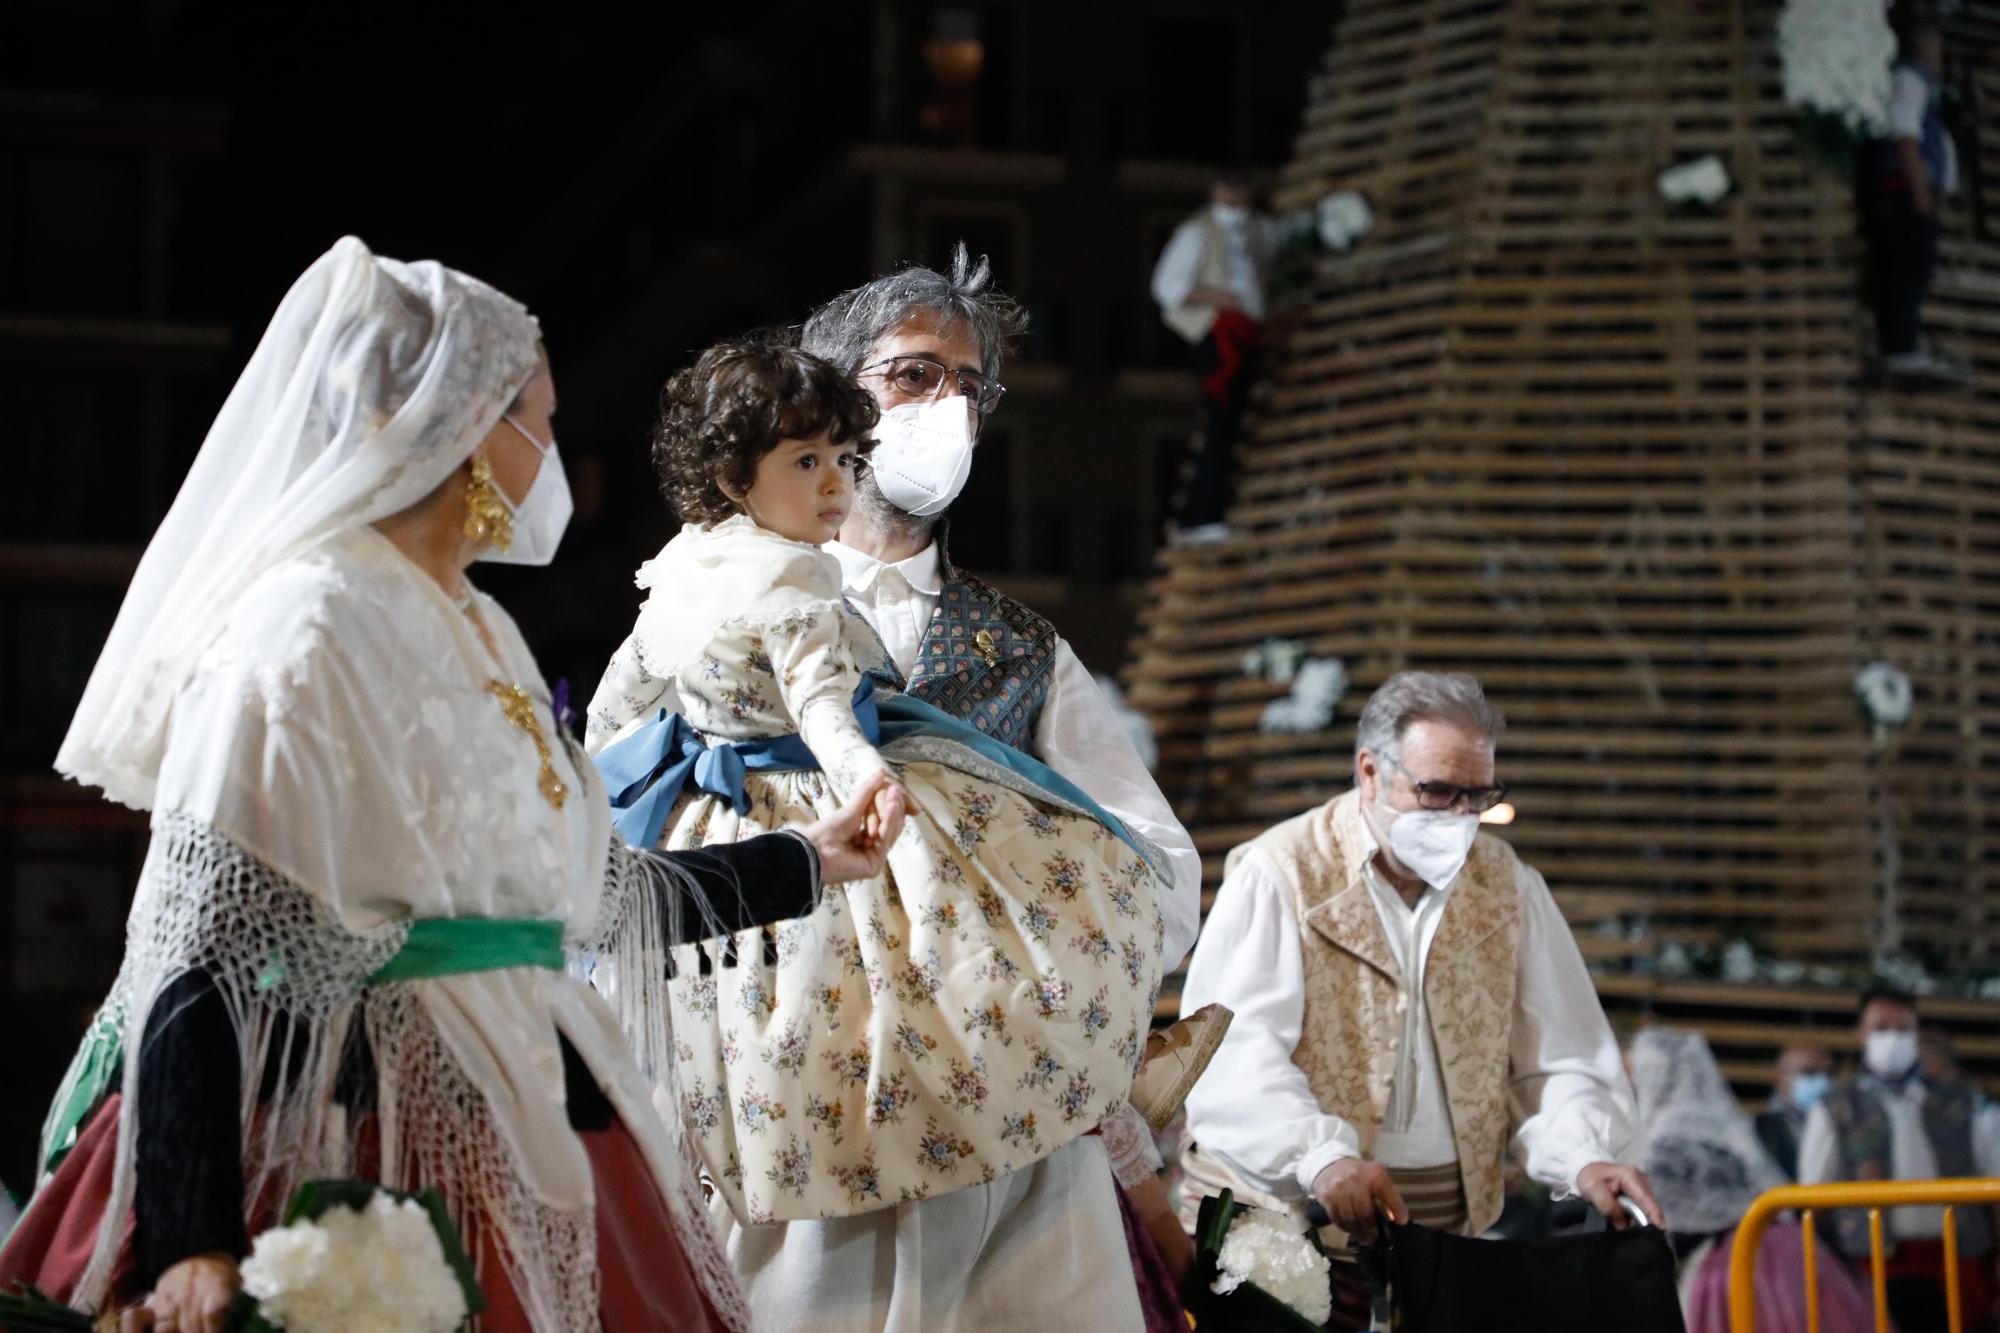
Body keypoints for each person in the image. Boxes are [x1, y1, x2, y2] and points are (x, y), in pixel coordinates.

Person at [0, 238, 904, 1333]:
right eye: (543, 418)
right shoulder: (303, 628)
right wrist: (194, 1234)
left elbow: (592, 896)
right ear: (470, 423)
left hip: (543, 1114)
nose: (556, 453)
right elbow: (204, 952)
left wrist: (809, 857)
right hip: (368, 1136)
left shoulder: (478, 624)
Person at [585, 336, 1171, 1332]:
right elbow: (821, 711)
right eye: (807, 462)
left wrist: (595, 779)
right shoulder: (796, 583)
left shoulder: (688, 563)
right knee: (889, 1025)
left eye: (841, 463)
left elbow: (616, 699)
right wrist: (865, 781)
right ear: (735, 472)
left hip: (715, 829)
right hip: (808, 836)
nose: (833, 484)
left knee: (806, 1045)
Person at [798, 248, 1213, 1330]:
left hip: (1000, 1133)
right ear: (834, 394)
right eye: (914, 376)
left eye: (970, 387)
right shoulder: (734, 609)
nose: (949, 408)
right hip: (804, 1104)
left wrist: (1049, 979)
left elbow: (1157, 868)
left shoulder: (1025, 651)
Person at [1178, 670, 1661, 1329]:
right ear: (1370, 771)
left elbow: (1559, 1056)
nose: (1459, 816)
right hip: (1284, 1233)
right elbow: (1231, 1050)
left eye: (1478, 794)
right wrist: (1317, 1154)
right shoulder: (1283, 870)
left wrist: (1584, 1155)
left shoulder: (1507, 884)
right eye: (1437, 790)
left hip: (1440, 1246)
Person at [1631, 1029, 1875, 1333]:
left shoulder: (1666, 1136)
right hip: (1787, 1247)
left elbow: (1671, 1221)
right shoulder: (1723, 1122)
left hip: (1732, 1259)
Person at [1800, 985, 2000, 1333]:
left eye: (1902, 1029)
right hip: (1869, 1266)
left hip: (1957, 1262)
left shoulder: (1964, 1103)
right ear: (1860, 1034)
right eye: (1880, 1028)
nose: (1892, 1038)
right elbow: (1810, 1198)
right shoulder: (1834, 1107)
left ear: (1917, 1034)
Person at [1149, 169, 1286, 543]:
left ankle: (1209, 511)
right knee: (1218, 422)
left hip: (1246, 334)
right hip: (1217, 334)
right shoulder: (1198, 232)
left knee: (1231, 423)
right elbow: (1167, 287)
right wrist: (1218, 298)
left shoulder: (1260, 229)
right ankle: (1201, 516)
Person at [1865, 13, 1968, 381]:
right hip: (1905, 191)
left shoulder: (1923, 83)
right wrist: (1921, 187)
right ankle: (1899, 347)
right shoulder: (1910, 78)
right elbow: (1905, 134)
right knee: (1905, 268)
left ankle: (1904, 343)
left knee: (1914, 268)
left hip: (1912, 190)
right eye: (1935, 46)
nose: (1940, 54)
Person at [1756, 1041, 1833, 1180]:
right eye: (1809, 1073)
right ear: (1780, 1077)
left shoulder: (1845, 1124)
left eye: (1827, 1073)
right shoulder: (1761, 1130)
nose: (1822, 1080)